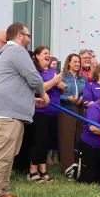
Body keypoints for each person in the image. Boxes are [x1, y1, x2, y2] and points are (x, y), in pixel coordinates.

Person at [0, 22, 49, 197]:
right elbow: (33, 77)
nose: (30, 39)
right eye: (28, 35)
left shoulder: (6, 52)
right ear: (19, 35)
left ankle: (2, 192)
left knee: (9, 155)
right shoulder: (17, 51)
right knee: (2, 155)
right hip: (6, 112)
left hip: (9, 110)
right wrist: (43, 93)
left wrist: (31, 100)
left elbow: (14, 82)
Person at [27, 46, 66, 183]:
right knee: (39, 141)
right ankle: (32, 171)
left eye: (49, 53)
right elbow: (39, 89)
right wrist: (54, 81)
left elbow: (59, 90)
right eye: (45, 53)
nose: (48, 55)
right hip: (40, 112)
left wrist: (62, 86)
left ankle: (43, 170)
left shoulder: (52, 71)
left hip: (53, 112)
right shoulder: (35, 72)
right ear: (37, 56)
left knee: (47, 142)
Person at [59, 53, 87, 173]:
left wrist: (83, 98)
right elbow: (56, 95)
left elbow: (86, 92)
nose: (77, 64)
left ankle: (77, 163)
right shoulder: (61, 76)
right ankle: (67, 167)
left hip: (79, 108)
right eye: (75, 62)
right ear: (69, 63)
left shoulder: (83, 77)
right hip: (66, 109)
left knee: (78, 136)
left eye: (78, 62)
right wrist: (67, 98)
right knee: (67, 138)